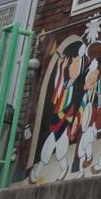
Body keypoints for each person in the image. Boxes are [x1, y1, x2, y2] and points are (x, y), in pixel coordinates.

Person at [30, 50, 81, 184]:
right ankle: (37, 173)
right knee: (48, 148)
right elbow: (57, 87)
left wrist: (63, 118)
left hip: (63, 124)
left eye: (74, 66)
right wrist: (60, 67)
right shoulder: (66, 84)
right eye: (71, 65)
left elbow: (71, 106)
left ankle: (64, 168)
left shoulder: (75, 88)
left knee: (60, 152)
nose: (71, 68)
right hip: (56, 122)